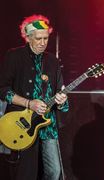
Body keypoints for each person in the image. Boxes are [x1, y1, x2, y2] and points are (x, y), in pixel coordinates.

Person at [0, 14, 68, 180]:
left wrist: (62, 100)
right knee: (26, 173)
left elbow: (60, 90)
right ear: (28, 37)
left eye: (46, 38)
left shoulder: (53, 60)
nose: (43, 43)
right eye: (38, 39)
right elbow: (2, 90)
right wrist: (29, 103)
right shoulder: (14, 56)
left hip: (48, 124)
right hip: (23, 123)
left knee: (54, 172)